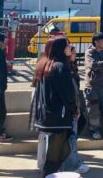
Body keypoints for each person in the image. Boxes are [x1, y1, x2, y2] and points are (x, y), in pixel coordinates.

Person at [32, 37, 78, 177]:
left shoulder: (43, 64)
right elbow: (68, 93)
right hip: (60, 115)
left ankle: (49, 172)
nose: (70, 47)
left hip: (45, 113)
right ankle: (48, 174)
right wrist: (74, 109)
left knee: (56, 148)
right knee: (58, 151)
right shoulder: (60, 66)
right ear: (60, 48)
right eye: (67, 45)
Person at [59, 45, 90, 174]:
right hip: (71, 107)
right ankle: (72, 163)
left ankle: (72, 160)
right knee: (71, 136)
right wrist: (75, 107)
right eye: (72, 52)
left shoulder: (72, 67)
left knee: (76, 131)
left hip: (75, 103)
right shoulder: (65, 69)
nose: (74, 55)